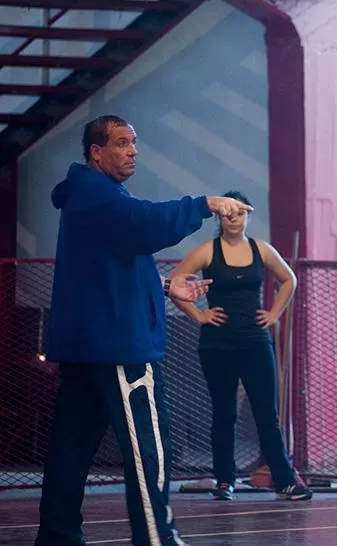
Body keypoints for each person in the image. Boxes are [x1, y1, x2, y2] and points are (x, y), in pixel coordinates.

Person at [36, 114, 252, 546]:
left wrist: (169, 286)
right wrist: (205, 203)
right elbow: (144, 225)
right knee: (147, 452)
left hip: (88, 349)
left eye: (133, 143)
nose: (132, 151)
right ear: (96, 153)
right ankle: (157, 538)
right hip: (119, 348)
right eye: (121, 143)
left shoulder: (91, 195)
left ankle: (58, 536)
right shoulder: (98, 194)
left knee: (71, 450)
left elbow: (112, 265)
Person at [170, 190, 312, 502]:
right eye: (229, 213)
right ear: (220, 216)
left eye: (240, 213)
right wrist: (199, 315)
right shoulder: (208, 250)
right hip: (217, 344)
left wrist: (274, 314)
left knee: (266, 413)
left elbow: (289, 280)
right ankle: (225, 480)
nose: (234, 218)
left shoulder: (260, 249)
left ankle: (285, 480)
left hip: (255, 342)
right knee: (224, 412)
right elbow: (176, 283)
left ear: (248, 215)